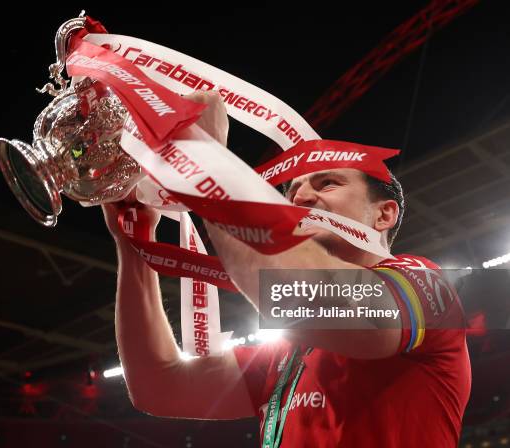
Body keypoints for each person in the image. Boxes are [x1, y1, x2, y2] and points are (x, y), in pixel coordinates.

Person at [102, 91, 471, 447]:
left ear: (383, 213)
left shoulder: (425, 285)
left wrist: (204, 160)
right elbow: (159, 386)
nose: (301, 198)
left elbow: (304, 298)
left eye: (328, 183)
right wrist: (132, 241)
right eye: (291, 190)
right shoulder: (290, 350)